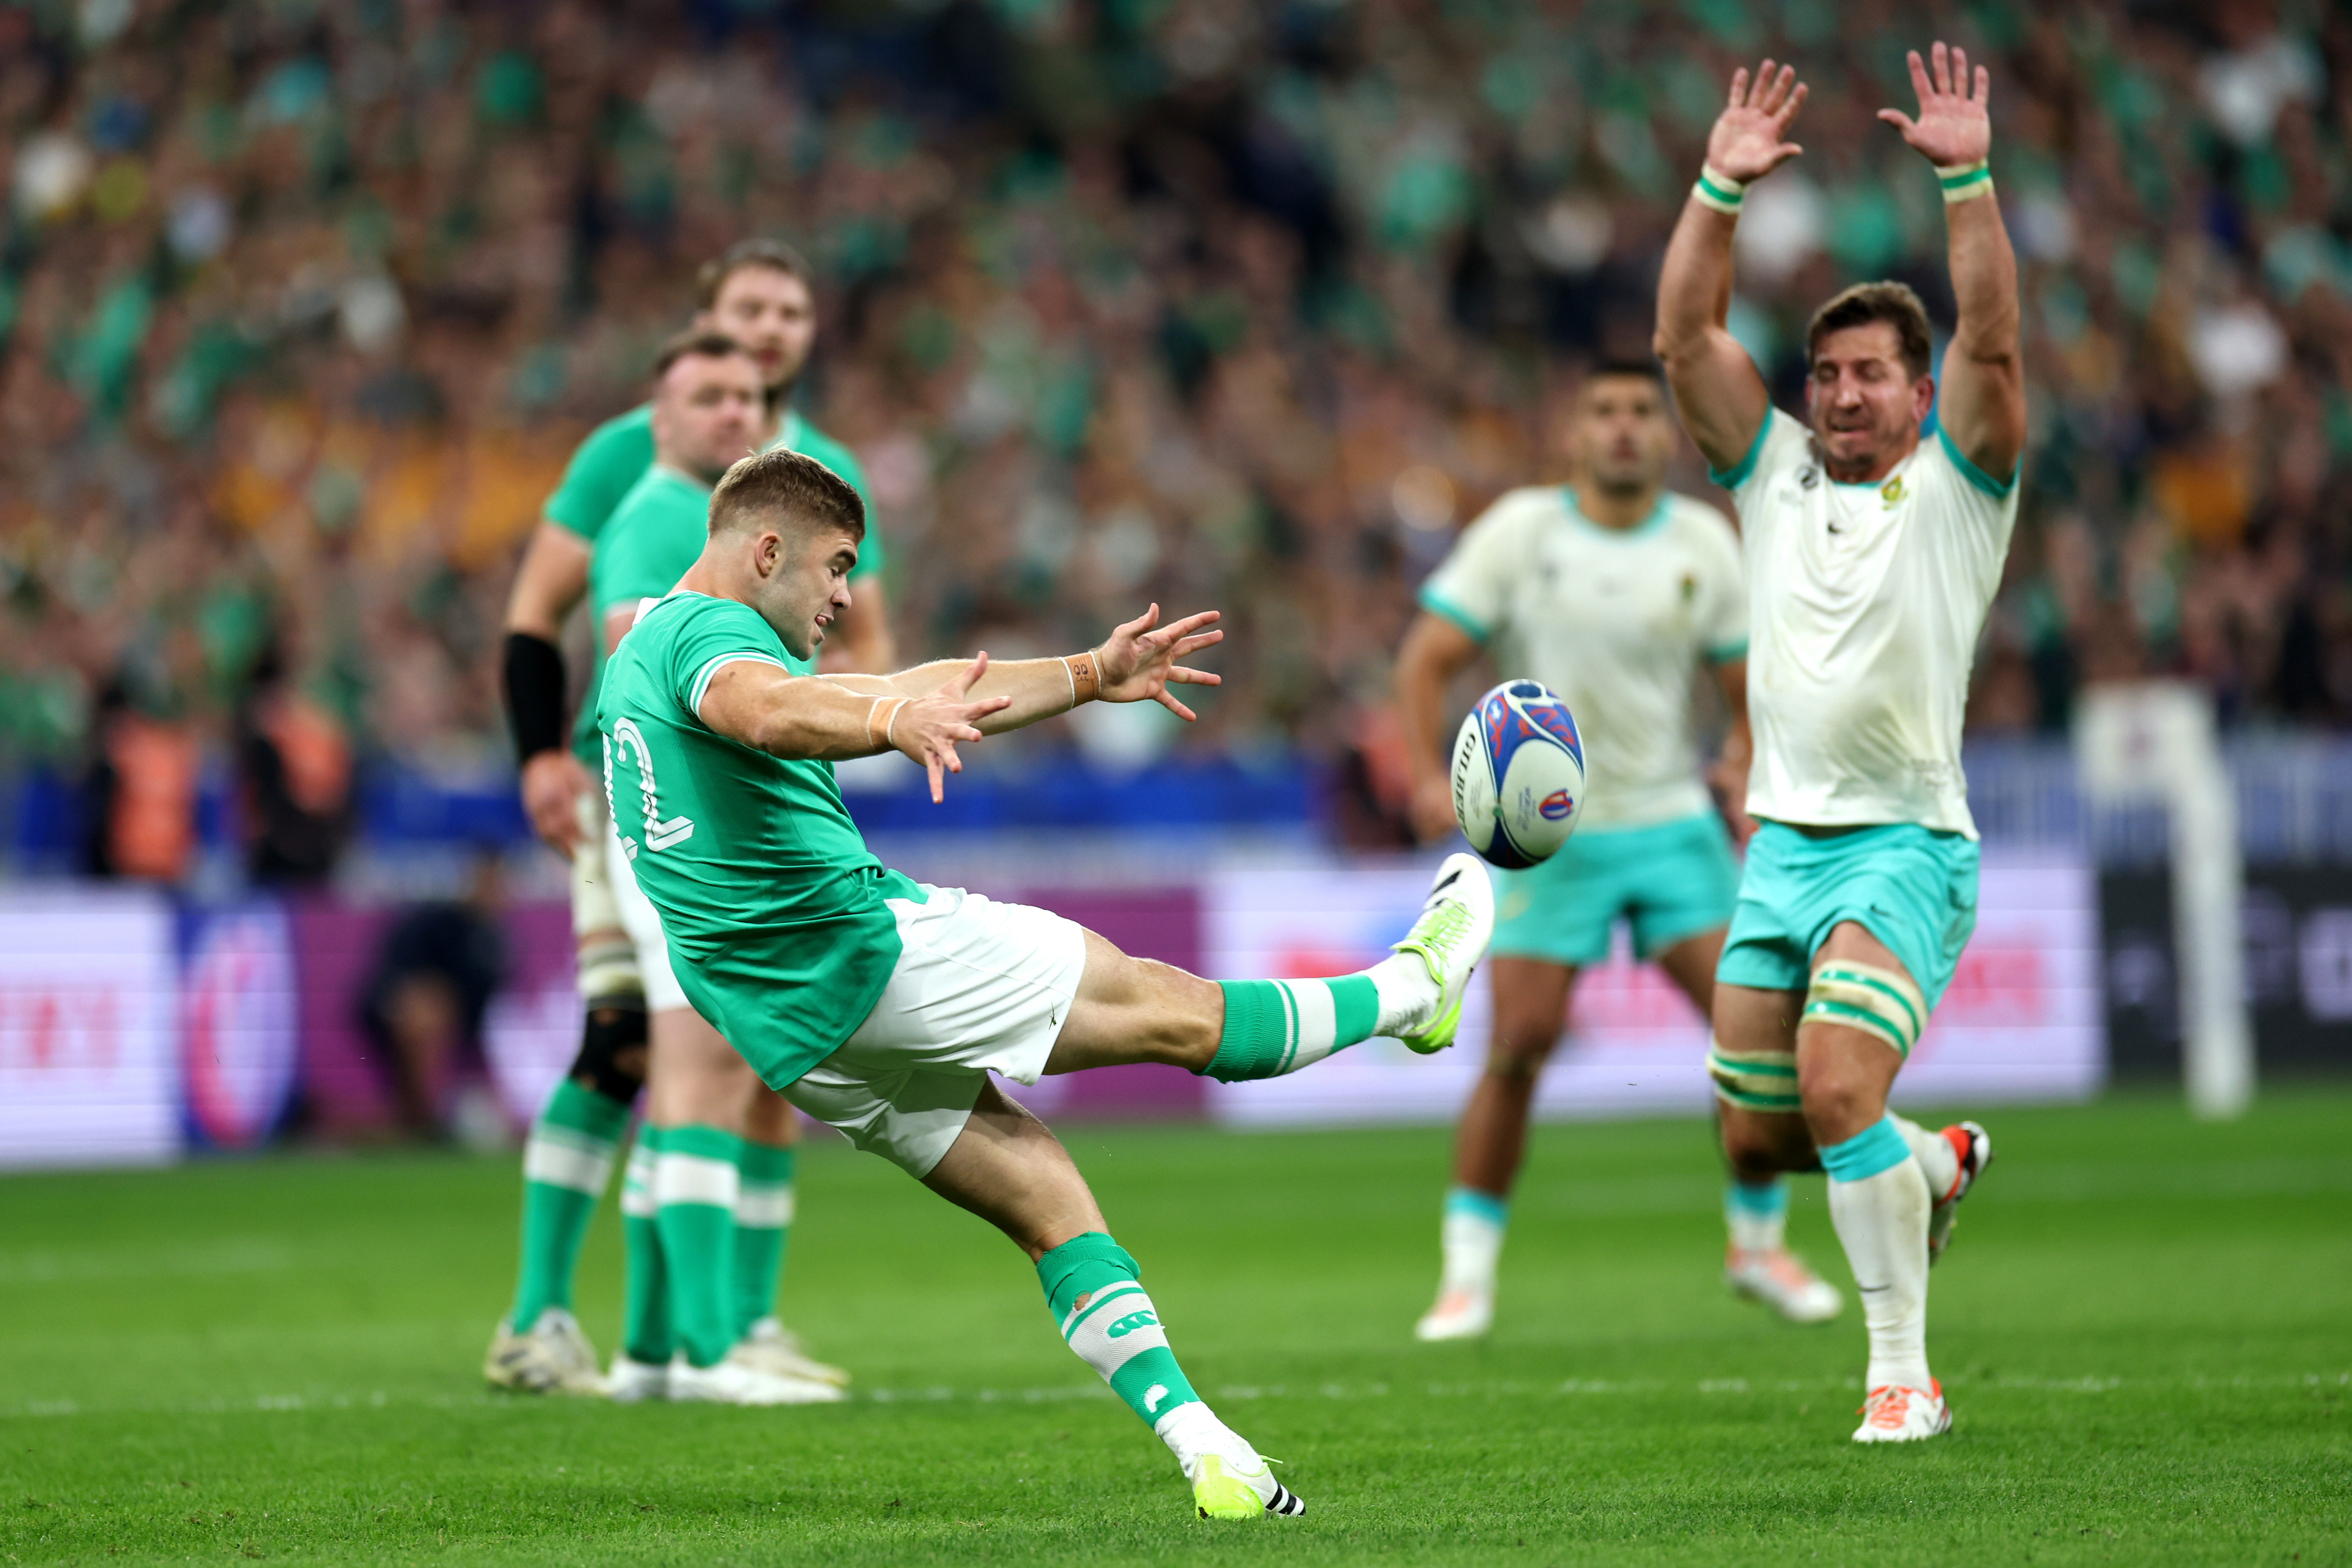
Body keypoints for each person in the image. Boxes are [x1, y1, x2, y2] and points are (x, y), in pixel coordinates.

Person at [599, 446, 1496, 1519]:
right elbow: (762, 709)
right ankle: (1414, 989)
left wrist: (1086, 674)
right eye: (837, 566)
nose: (846, 593)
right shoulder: (714, 637)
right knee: (1174, 1012)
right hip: (858, 948)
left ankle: (1210, 1448)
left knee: (1045, 1198)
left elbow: (909, 686)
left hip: (792, 1032)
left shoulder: (642, 644)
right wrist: (888, 724)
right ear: (768, 550)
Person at [1652, 45, 2022, 1441]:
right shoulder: (1772, 472)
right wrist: (1715, 189)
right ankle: (1929, 1168)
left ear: (1918, 396)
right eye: (1827, 374)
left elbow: (1992, 343)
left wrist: (1968, 181)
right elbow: (1686, 343)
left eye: (1872, 374)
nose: (1845, 394)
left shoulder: (1962, 488)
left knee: (1833, 1083)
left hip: (1907, 845)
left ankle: (1901, 1379)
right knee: (1759, 1132)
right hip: (1782, 850)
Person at [490, 238, 892, 1394]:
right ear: (701, 332)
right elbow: (568, 629)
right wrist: (536, 755)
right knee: (653, 1048)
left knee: (735, 1060)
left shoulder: (817, 472)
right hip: (650, 800)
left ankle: (698, 1336)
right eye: (742, 317)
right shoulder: (642, 470)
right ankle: (594, 1325)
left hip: (758, 793)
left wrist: (867, 718)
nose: (762, 341)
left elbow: (867, 631)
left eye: (787, 316)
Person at [1395, 361, 1841, 1342]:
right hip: (1554, 840)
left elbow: (1747, 683)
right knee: (1516, 1045)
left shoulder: (1700, 541)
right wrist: (1431, 775)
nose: (1626, 427)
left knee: (1754, 1036)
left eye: (1644, 410)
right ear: (1575, 432)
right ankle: (1465, 1276)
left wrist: (1748, 764)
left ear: (1669, 431)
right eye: (1605, 410)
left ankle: (1757, 1244)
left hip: (1674, 822)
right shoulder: (1521, 530)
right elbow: (1425, 656)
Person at [584, 329, 847, 1404]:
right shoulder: (663, 514)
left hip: (685, 813)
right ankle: (705, 1347)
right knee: (699, 1068)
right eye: (716, 393)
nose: (741, 411)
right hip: (682, 818)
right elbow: (635, 644)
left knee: (716, 1069)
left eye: (755, 395)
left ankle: (655, 1348)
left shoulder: (730, 508)